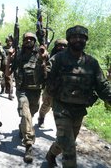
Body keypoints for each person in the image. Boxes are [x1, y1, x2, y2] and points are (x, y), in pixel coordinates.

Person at [36, 25, 111, 168]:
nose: (78, 39)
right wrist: (41, 61)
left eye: (82, 37)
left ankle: (51, 154)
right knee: (69, 146)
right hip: (61, 107)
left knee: (64, 141)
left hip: (79, 109)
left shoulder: (92, 63)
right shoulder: (58, 59)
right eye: (74, 37)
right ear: (69, 39)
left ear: (86, 40)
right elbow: (40, 80)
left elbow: (103, 86)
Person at [7, 32, 43, 163]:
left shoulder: (41, 53)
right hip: (22, 91)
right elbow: (7, 73)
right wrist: (9, 58)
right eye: (26, 38)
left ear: (34, 41)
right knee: (25, 114)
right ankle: (28, 145)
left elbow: (48, 71)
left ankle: (23, 128)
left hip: (36, 91)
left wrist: (44, 59)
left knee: (31, 114)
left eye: (31, 39)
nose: (28, 40)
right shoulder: (18, 54)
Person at [37, 38, 68, 128]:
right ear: (56, 46)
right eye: (59, 45)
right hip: (51, 86)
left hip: (63, 88)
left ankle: (61, 130)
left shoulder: (69, 58)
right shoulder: (49, 56)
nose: (61, 47)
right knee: (46, 105)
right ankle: (41, 117)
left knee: (61, 109)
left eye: (64, 46)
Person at [2, 34, 15, 100]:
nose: (9, 42)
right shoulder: (3, 48)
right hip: (3, 65)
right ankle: (3, 89)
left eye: (10, 41)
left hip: (10, 66)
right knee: (3, 80)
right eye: (8, 41)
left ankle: (10, 94)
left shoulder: (13, 49)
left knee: (10, 80)